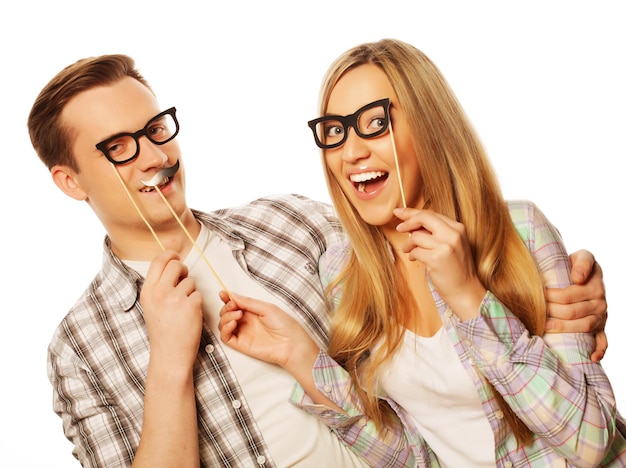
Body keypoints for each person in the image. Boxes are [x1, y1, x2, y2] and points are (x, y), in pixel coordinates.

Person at [27, 53, 607, 468]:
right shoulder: (78, 349)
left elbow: (437, 228)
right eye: (120, 147)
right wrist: (169, 367)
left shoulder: (299, 229)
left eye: (156, 129)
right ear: (69, 181)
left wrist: (560, 285)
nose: (155, 156)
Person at [218, 39, 626, 467]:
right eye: (336, 131)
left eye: (376, 123)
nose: (352, 151)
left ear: (429, 127)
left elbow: (592, 442)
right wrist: (299, 357)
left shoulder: (518, 231)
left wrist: (470, 299)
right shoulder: (343, 276)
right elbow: (411, 456)